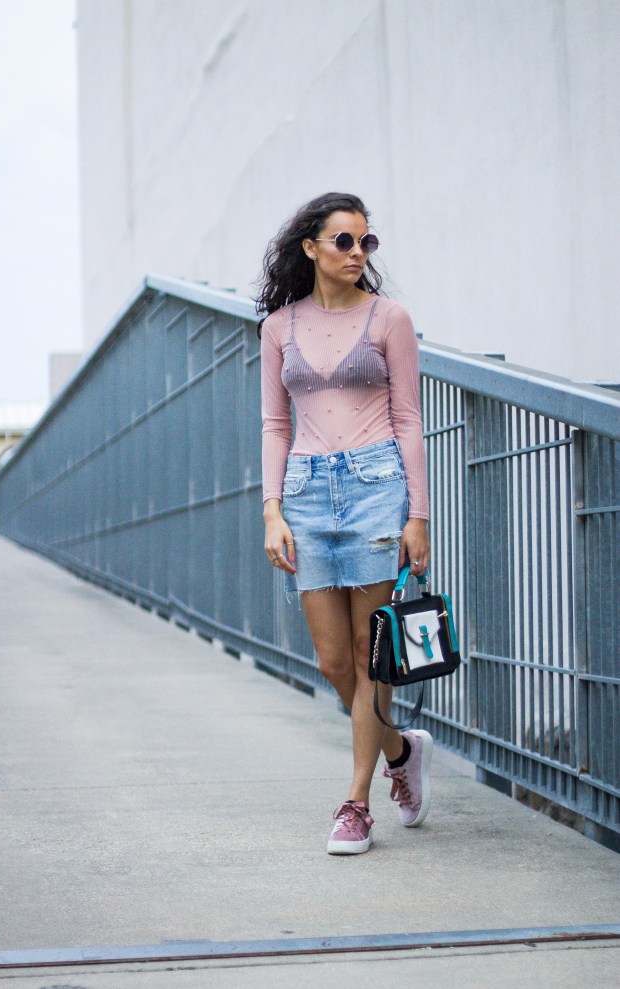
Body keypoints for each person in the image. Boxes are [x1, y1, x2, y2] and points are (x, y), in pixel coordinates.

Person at [257, 192, 432, 855]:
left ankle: (356, 802)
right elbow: (275, 423)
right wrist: (272, 508)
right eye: (343, 241)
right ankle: (400, 750)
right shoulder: (279, 327)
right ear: (311, 248)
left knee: (369, 653)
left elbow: (409, 420)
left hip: (377, 490)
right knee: (334, 661)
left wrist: (419, 513)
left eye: (366, 242)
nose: (357, 253)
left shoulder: (390, 319)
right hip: (304, 493)